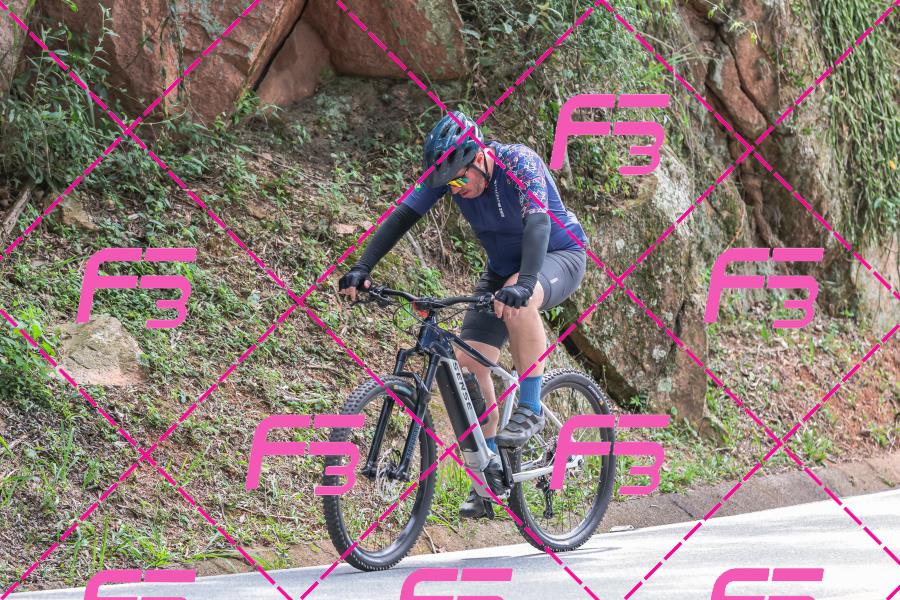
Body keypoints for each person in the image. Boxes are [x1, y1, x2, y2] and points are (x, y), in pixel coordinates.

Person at [338, 110, 588, 518]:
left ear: (480, 158)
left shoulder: (518, 161)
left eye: (458, 180)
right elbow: (403, 216)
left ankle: (530, 408)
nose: (455, 189)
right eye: (448, 185)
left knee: (519, 301)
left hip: (558, 254)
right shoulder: (450, 177)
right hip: (502, 270)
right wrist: (363, 267)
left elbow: (538, 225)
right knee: (469, 362)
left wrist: (525, 283)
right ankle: (488, 475)